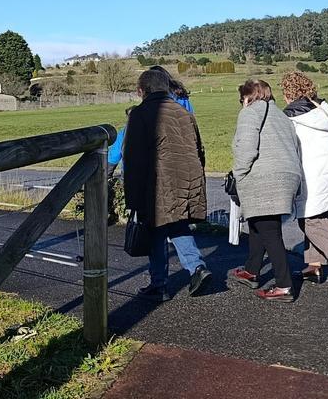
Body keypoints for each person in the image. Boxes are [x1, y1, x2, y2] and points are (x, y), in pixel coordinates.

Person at [122, 68, 212, 300]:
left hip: (157, 182)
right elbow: (199, 149)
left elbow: (133, 158)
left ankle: (159, 285)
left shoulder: (140, 114)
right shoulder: (184, 112)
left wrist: (132, 197)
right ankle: (197, 268)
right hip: (187, 180)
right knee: (177, 224)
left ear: (141, 91)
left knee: (155, 231)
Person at [227, 79, 304, 302]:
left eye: (242, 99)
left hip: (263, 177)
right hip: (288, 174)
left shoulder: (250, 113)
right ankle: (252, 270)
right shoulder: (283, 117)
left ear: (248, 97)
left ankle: (284, 285)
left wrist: (238, 173)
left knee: (269, 231)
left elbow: (247, 148)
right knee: (259, 224)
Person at [280, 72, 328, 288]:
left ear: (288, 93)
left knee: (309, 221)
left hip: (311, 172)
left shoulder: (291, 116)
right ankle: (314, 266)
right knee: (320, 216)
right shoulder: (323, 108)